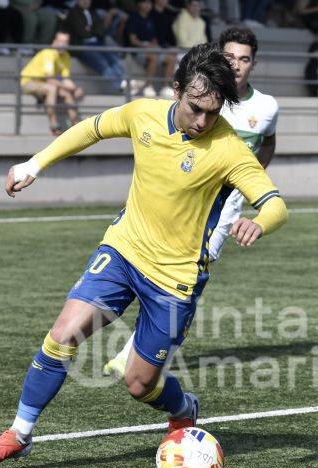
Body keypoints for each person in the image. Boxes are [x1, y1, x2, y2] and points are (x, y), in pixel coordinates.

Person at [0, 42, 288, 467]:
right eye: (196, 107)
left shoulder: (228, 148)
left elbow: (276, 204)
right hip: (122, 250)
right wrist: (35, 164)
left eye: (213, 112)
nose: (203, 120)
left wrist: (259, 222)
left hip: (175, 280)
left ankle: (183, 410)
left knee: (139, 385)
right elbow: (90, 128)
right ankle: (20, 433)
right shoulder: (144, 114)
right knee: (62, 335)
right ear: (177, 91)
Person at [101, 26, 279, 377]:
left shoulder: (267, 106)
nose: (237, 65)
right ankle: (146, 346)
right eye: (230, 58)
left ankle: (137, 350)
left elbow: (268, 142)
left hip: (221, 210)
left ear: (254, 64)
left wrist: (250, 178)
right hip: (178, 203)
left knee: (193, 272)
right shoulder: (204, 96)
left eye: (244, 59)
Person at [20, 30, 84, 135]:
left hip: (44, 83)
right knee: (52, 88)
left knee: (67, 93)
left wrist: (75, 89)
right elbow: (49, 79)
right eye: (60, 41)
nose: (62, 44)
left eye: (65, 41)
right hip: (28, 82)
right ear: (54, 41)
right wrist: (72, 88)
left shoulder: (66, 55)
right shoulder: (48, 53)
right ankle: (54, 125)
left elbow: (65, 79)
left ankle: (75, 125)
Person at [61, 0, 127, 92]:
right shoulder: (73, 13)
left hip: (97, 44)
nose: (85, 1)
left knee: (113, 59)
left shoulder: (93, 12)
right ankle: (120, 86)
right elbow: (81, 32)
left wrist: (90, 30)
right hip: (82, 46)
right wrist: (93, 31)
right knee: (102, 63)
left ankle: (126, 82)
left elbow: (101, 29)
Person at [124, 0, 177, 97]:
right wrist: (146, 45)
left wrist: (155, 45)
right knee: (153, 56)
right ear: (139, 4)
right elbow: (133, 40)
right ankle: (148, 86)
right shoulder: (134, 17)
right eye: (145, 3)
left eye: (149, 3)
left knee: (171, 58)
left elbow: (153, 38)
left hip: (151, 49)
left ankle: (165, 87)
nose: (147, 5)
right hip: (136, 51)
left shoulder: (150, 18)